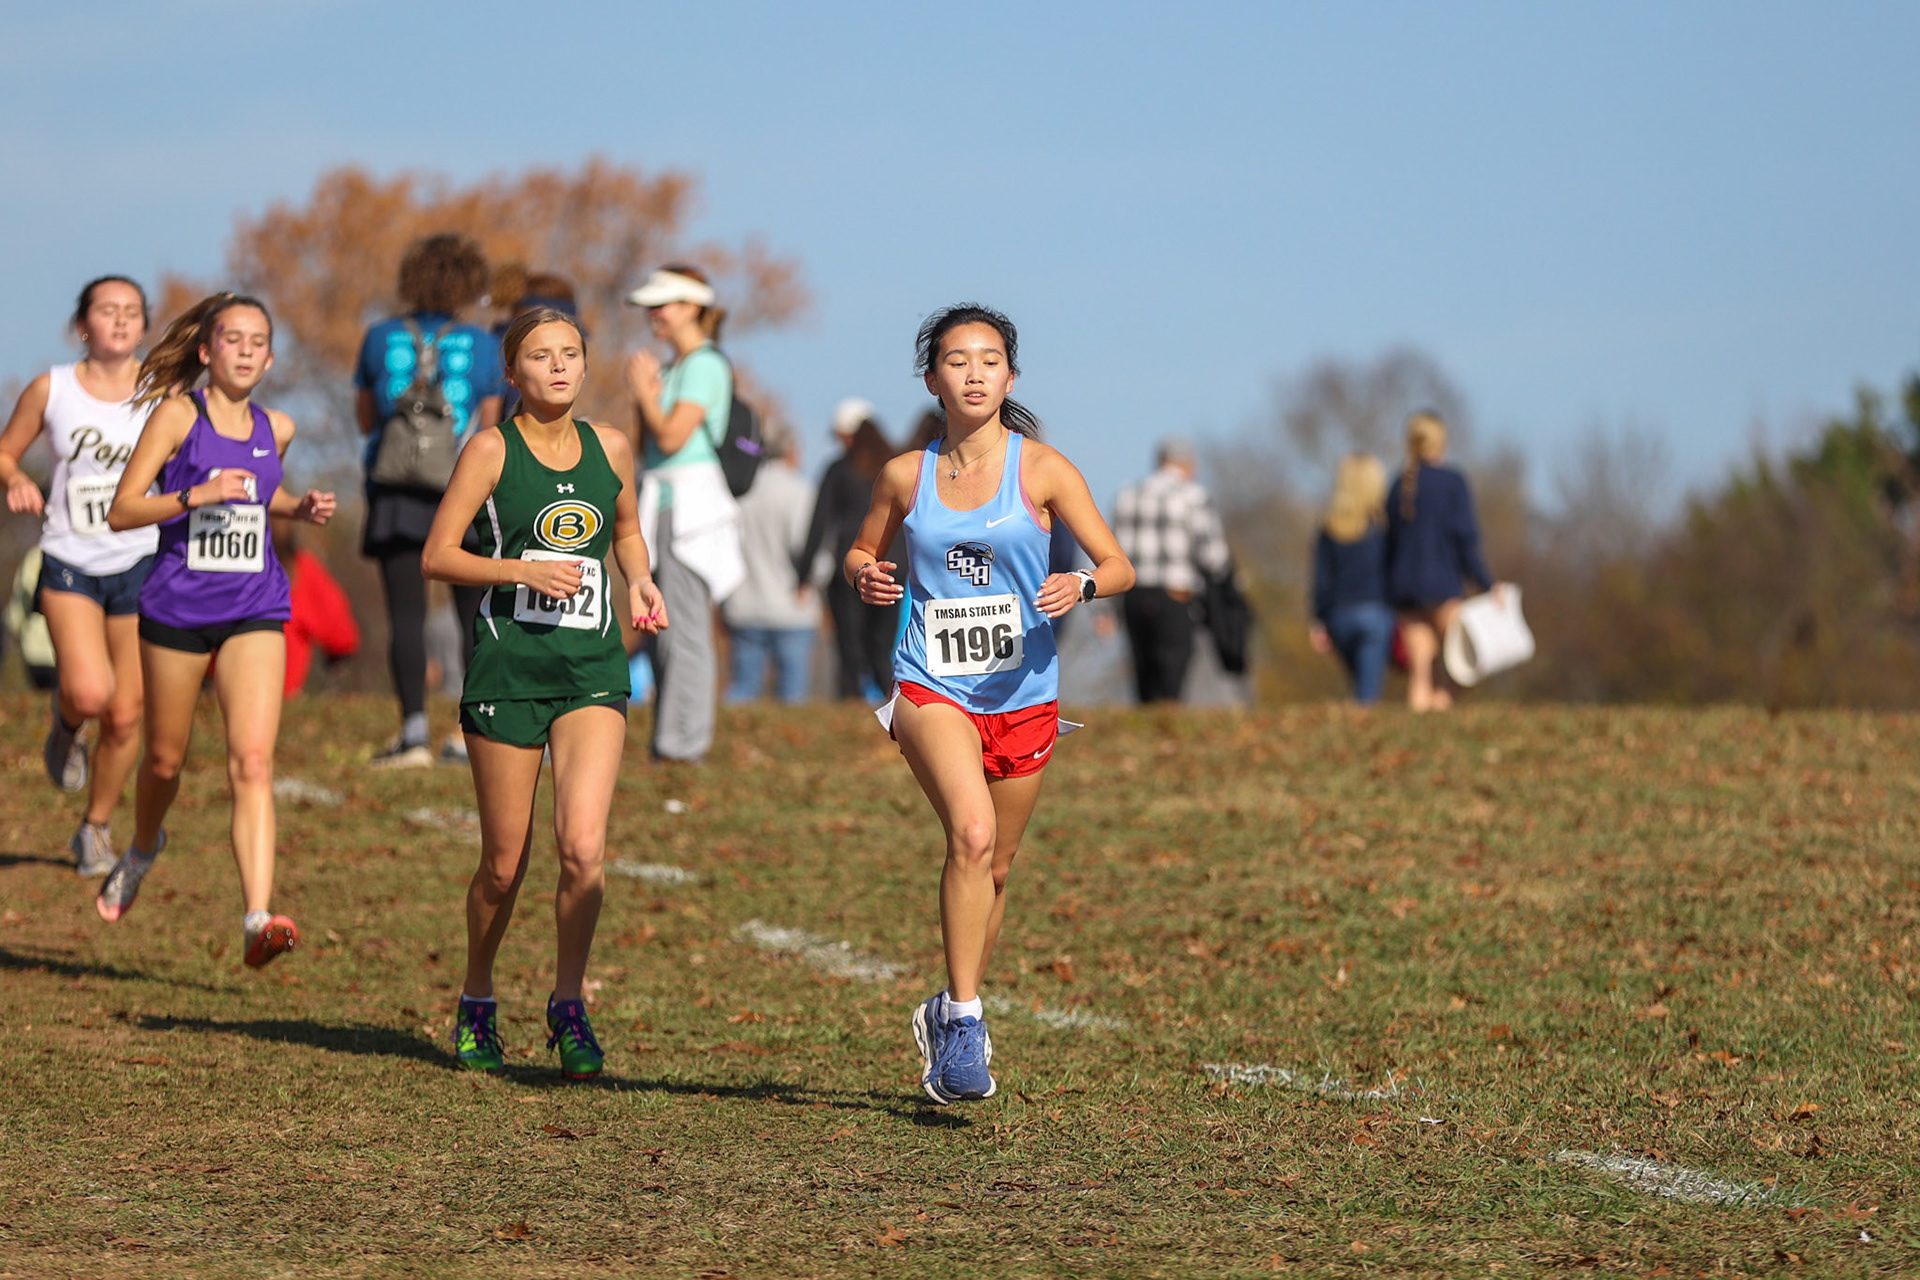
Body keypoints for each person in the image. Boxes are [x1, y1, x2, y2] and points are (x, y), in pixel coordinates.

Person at [847, 303, 1133, 1104]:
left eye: (989, 360)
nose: (973, 373)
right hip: (930, 685)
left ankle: (946, 1009)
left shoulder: (1041, 469)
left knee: (996, 867)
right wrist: (861, 572)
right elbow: (861, 547)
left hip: (1024, 691)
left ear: (1010, 377)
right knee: (969, 834)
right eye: (957, 360)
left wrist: (1079, 582)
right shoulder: (905, 475)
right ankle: (968, 1022)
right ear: (932, 377)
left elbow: (1118, 566)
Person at [421, 307, 666, 1079]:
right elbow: (437, 554)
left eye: (569, 354)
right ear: (513, 373)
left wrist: (642, 579)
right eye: (540, 356)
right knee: (503, 863)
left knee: (584, 850)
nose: (558, 367)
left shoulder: (612, 446)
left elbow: (623, 529)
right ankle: (478, 994)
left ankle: (567, 1002)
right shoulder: (491, 450)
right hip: (509, 672)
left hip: (590, 669)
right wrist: (520, 570)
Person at [97, 292, 336, 969]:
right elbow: (122, 511)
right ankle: (144, 845)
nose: (246, 351)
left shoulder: (278, 427)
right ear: (207, 350)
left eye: (258, 342)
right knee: (166, 760)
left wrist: (299, 505)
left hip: (253, 605)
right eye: (233, 339)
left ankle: (257, 915)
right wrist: (193, 495)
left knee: (252, 761)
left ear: (269, 357)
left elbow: (260, 496)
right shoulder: (179, 415)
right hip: (175, 609)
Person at [0, 277, 157, 875]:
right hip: (69, 557)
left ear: (144, 326)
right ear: (82, 324)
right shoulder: (53, 388)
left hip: (141, 558)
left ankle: (95, 827)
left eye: (132, 313)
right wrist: (15, 478)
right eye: (107, 311)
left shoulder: (161, 391)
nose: (119, 321)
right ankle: (66, 726)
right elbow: (5, 451)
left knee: (124, 713)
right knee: (90, 693)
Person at [354, 233, 505, 768]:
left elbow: (367, 419)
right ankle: (468, 734)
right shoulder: (485, 344)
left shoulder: (378, 336)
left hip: (395, 492)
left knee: (406, 615)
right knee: (473, 615)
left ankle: (413, 732)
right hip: (461, 491)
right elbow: (489, 426)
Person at [623, 264, 744, 763]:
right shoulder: (675, 368)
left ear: (693, 306)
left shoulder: (705, 364)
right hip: (662, 506)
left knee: (687, 629)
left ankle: (683, 744)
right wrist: (647, 397)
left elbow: (671, 437)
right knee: (663, 629)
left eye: (665, 302)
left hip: (692, 510)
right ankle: (670, 739)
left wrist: (647, 395)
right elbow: (646, 444)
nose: (655, 313)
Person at [1385, 411, 1494, 712]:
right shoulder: (1452, 482)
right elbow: (1465, 540)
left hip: (1404, 588)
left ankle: (1421, 729)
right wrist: (1487, 584)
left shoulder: (1397, 487)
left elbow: (1388, 544)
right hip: (1442, 585)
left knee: (1420, 670)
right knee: (1469, 658)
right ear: (1441, 442)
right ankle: (1442, 703)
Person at [1111, 438, 1231, 703]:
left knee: (1144, 670)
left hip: (1134, 595)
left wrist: (1104, 610)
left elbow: (1110, 554)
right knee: (1172, 672)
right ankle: (1166, 728)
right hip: (1176, 594)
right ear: (1187, 463)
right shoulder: (1194, 496)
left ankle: (1146, 725)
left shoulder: (1127, 495)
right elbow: (1214, 557)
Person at [798, 399, 898, 700]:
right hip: (895, 569)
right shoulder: (894, 466)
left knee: (849, 647)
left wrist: (802, 575)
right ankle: (891, 704)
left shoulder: (839, 470)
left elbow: (819, 524)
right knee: (883, 648)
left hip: (852, 571)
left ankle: (851, 702)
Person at [723, 421, 818, 703]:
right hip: (791, 605)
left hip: (744, 603)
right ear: (791, 452)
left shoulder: (740, 490)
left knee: (742, 688)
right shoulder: (799, 491)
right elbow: (806, 546)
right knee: (793, 694)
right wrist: (812, 581)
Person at [1309, 454, 1393, 705]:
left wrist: (1318, 620)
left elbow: (1322, 580)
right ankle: (1364, 734)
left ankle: (1358, 729)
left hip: (1339, 617)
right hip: (1376, 613)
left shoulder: (1329, 528)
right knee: (1367, 694)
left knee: (1360, 684)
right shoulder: (1382, 527)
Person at [273, 514, 360, 698]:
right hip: (287, 689)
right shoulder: (303, 570)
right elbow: (337, 623)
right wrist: (338, 654)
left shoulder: (302, 569)